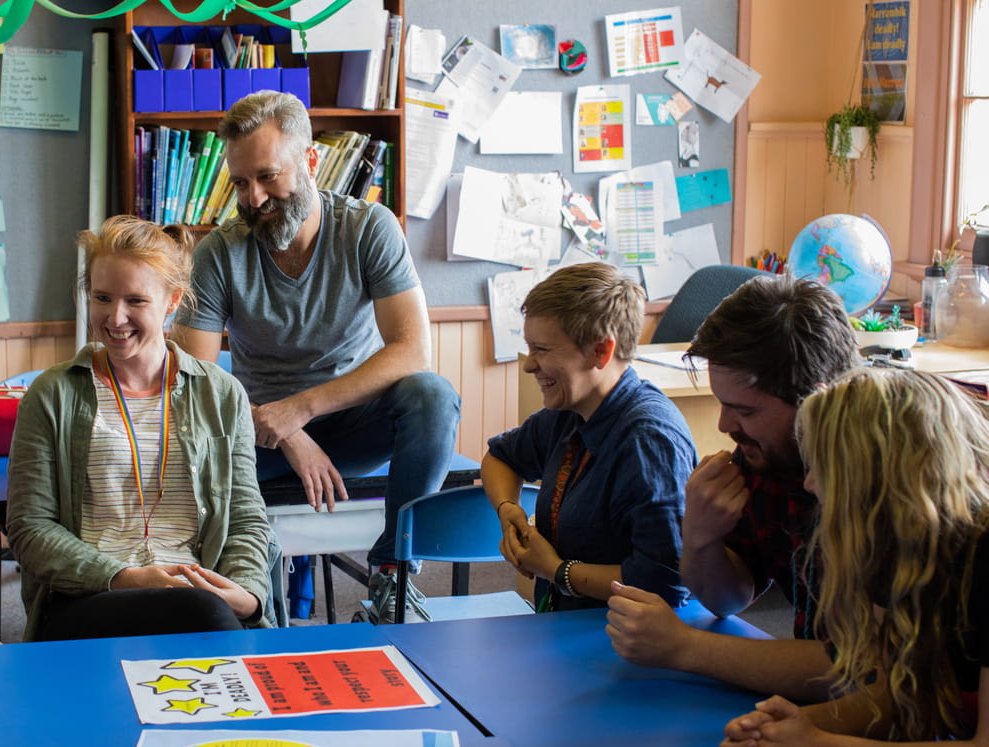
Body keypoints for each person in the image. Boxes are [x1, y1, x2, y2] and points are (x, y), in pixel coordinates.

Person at [170, 90, 461, 624]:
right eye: (239, 182)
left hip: (354, 422)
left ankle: (393, 578)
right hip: (258, 434)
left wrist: (301, 410)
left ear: (310, 162)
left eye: (267, 176)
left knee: (434, 397)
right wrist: (284, 428)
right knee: (188, 448)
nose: (253, 198)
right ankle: (249, 596)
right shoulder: (218, 253)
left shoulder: (369, 228)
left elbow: (413, 350)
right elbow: (199, 380)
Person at [721, 368, 989, 747]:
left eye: (823, 467)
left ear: (877, 474)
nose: (809, 484)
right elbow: (891, 700)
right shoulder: (897, 551)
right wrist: (788, 729)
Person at [6, 217, 272, 642]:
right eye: (101, 297)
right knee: (208, 619)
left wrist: (247, 593)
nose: (115, 317)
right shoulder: (51, 394)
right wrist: (125, 577)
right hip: (89, 596)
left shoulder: (222, 394)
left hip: (198, 593)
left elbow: (245, 520)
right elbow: (30, 528)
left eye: (135, 301)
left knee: (209, 610)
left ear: (172, 300)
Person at [607, 275, 858, 700]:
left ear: (817, 403)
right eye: (723, 404)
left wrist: (685, 648)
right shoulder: (767, 457)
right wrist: (701, 539)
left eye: (744, 410)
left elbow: (854, 669)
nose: (725, 427)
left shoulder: (880, 483)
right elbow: (728, 600)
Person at [482, 264, 695, 610]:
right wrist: (508, 509)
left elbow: (664, 584)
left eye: (543, 350)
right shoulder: (569, 413)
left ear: (601, 351)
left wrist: (555, 570)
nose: (529, 365)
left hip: (621, 640)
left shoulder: (648, 443)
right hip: (563, 627)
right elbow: (501, 458)